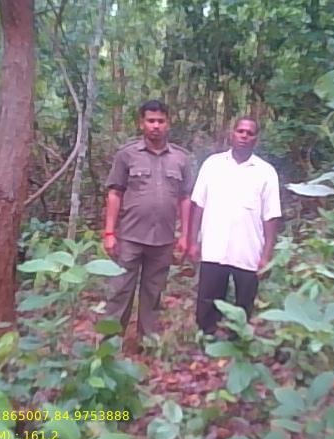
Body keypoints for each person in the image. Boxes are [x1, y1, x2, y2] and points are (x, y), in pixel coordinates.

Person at [103, 100, 192, 340]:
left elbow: (185, 198)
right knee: (120, 290)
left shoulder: (180, 158)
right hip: (130, 237)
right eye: (151, 121)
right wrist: (109, 233)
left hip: (163, 239)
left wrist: (185, 235)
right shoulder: (127, 154)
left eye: (160, 121)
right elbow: (115, 193)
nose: (155, 126)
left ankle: (147, 342)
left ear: (168, 124)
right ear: (141, 123)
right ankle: (110, 344)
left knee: (153, 293)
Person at [187, 117, 281, 334]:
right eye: (240, 131)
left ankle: (238, 343)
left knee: (243, 305)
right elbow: (198, 204)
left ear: (256, 139)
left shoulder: (266, 172)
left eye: (249, 133)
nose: (244, 136)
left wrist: (266, 256)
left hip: (248, 251)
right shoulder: (213, 164)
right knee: (207, 303)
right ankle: (207, 339)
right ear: (232, 134)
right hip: (214, 248)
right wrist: (193, 241)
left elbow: (271, 216)